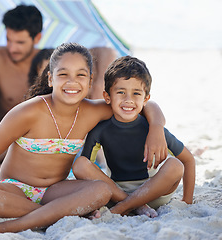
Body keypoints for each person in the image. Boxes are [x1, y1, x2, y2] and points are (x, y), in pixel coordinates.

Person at [0, 43, 168, 233]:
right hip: (15, 190)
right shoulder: (28, 112)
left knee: (100, 190)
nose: (72, 82)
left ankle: (42, 216)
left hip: (56, 191)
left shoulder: (93, 111)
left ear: (91, 81)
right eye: (63, 74)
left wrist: (156, 128)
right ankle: (48, 216)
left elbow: (146, 106)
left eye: (80, 75)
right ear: (50, 78)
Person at [73, 56, 196, 217]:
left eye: (136, 93)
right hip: (116, 193)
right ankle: (132, 205)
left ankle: (124, 208)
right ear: (107, 96)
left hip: (154, 194)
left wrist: (187, 200)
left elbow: (188, 160)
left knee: (175, 165)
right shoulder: (100, 130)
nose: (128, 100)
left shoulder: (152, 129)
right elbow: (85, 169)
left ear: (146, 99)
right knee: (80, 164)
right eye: (121, 92)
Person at [0, 5, 117, 122]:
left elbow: (107, 51)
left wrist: (100, 84)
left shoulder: (49, 58)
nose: (12, 48)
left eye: (20, 43)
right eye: (8, 40)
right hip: (12, 129)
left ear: (38, 38)